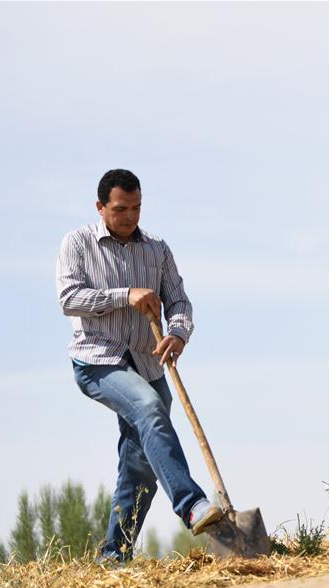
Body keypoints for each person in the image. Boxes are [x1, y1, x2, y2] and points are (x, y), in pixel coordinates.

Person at [56, 169, 222, 561]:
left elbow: (179, 302)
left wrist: (178, 334)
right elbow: (69, 298)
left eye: (137, 208)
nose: (130, 217)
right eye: (120, 209)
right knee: (150, 409)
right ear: (100, 207)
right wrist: (124, 295)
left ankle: (114, 555)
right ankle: (192, 504)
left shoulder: (157, 248)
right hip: (97, 360)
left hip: (148, 363)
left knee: (141, 463)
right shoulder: (77, 243)